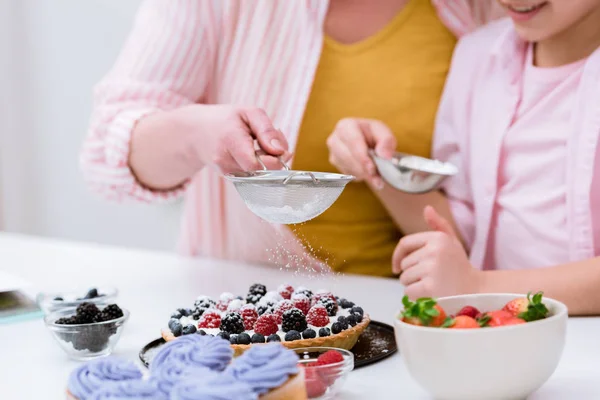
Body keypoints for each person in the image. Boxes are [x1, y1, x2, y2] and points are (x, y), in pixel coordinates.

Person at [81, 0, 502, 276]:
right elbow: (106, 156)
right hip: (247, 315)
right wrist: (197, 132)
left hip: (416, 316)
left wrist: (387, 173)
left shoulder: (487, 12)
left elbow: (494, 229)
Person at [330, 0, 600, 314]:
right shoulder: (476, 56)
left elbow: (470, 282)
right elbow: (466, 235)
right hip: (495, 332)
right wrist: (378, 165)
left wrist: (479, 287)